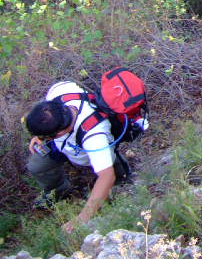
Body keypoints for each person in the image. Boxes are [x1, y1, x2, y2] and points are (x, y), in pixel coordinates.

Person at [24, 81, 130, 233]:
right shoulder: (59, 92)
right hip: (64, 147)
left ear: (59, 133)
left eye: (46, 136)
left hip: (91, 153)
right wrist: (40, 135)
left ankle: (122, 173)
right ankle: (58, 191)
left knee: (112, 183)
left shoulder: (94, 135)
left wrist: (82, 218)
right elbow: (46, 116)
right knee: (37, 166)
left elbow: (107, 176)